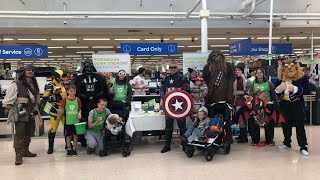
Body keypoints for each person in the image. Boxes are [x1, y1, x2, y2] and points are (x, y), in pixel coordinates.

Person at [2, 64, 41, 165]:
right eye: (28, 70)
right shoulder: (16, 84)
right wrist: (10, 109)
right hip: (20, 112)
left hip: (31, 112)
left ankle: (25, 150)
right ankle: (18, 155)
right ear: (24, 72)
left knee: (28, 133)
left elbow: (36, 98)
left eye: (32, 70)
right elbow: (8, 99)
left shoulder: (34, 84)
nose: (30, 72)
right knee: (19, 134)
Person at [275, 58, 309, 156]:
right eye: (286, 67)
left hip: (297, 104)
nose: (289, 69)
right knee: (286, 124)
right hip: (284, 104)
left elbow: (307, 90)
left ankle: (303, 146)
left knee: (300, 125)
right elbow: (275, 90)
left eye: (291, 67)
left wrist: (295, 89)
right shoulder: (280, 77)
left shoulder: (301, 77)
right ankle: (287, 142)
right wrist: (279, 89)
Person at [160, 61, 190, 153]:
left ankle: (184, 145)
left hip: (180, 105)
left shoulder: (182, 78)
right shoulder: (166, 79)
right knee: (168, 126)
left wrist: (179, 91)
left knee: (182, 126)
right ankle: (167, 145)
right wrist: (164, 97)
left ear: (177, 68)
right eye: (171, 67)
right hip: (169, 105)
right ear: (169, 69)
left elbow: (188, 90)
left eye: (174, 67)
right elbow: (161, 90)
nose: (172, 69)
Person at [247, 68, 278, 146]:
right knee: (255, 123)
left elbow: (273, 94)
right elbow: (250, 96)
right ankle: (255, 140)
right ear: (255, 74)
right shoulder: (253, 84)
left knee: (269, 123)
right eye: (257, 73)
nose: (259, 74)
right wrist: (255, 92)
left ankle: (270, 140)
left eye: (260, 73)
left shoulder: (269, 83)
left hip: (267, 105)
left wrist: (276, 104)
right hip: (256, 106)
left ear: (263, 74)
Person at [43, 69, 67, 154]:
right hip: (55, 111)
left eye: (62, 77)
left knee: (67, 128)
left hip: (64, 110)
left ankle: (67, 144)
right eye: (59, 77)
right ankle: (50, 147)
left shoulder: (63, 84)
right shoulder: (50, 85)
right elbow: (45, 99)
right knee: (53, 129)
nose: (61, 78)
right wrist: (52, 108)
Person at [59, 83, 82, 157]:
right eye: (71, 91)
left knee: (75, 135)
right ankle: (69, 149)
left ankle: (74, 149)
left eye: (74, 91)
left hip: (76, 122)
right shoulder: (65, 100)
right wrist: (59, 111)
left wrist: (79, 113)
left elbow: (79, 109)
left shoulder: (78, 100)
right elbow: (62, 110)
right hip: (68, 121)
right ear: (68, 91)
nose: (73, 93)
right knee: (68, 136)